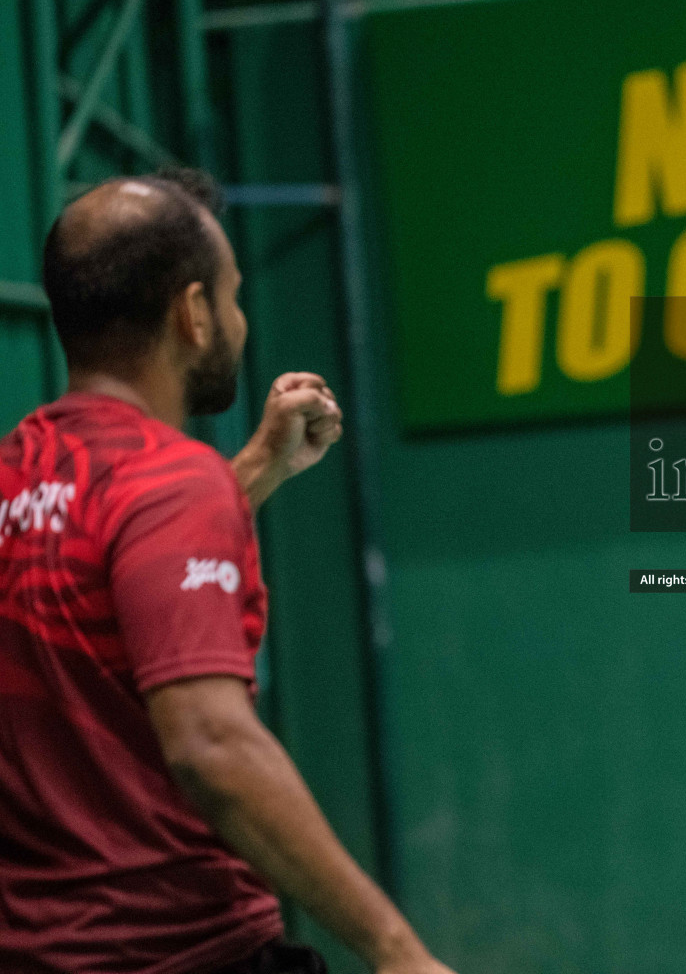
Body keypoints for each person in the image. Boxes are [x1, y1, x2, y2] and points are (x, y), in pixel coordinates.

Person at [0, 170, 455, 974]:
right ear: (194, 313)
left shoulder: (19, 475)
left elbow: (91, 587)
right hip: (184, 950)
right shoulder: (171, 479)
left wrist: (250, 473)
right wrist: (398, 953)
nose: (239, 322)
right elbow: (210, 746)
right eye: (233, 296)